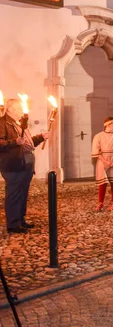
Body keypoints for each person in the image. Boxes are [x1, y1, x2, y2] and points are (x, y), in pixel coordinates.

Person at [0, 99, 49, 234]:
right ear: (9, 110)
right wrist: (14, 142)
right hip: (13, 164)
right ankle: (13, 224)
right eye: (19, 109)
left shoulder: (20, 124)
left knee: (22, 193)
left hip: (25, 163)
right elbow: (1, 143)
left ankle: (20, 219)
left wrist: (40, 137)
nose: (22, 112)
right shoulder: (2, 123)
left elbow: (27, 143)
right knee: (14, 194)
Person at [92, 117, 113, 211]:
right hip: (102, 161)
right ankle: (100, 203)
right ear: (108, 125)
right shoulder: (98, 136)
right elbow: (96, 150)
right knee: (102, 183)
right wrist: (105, 161)